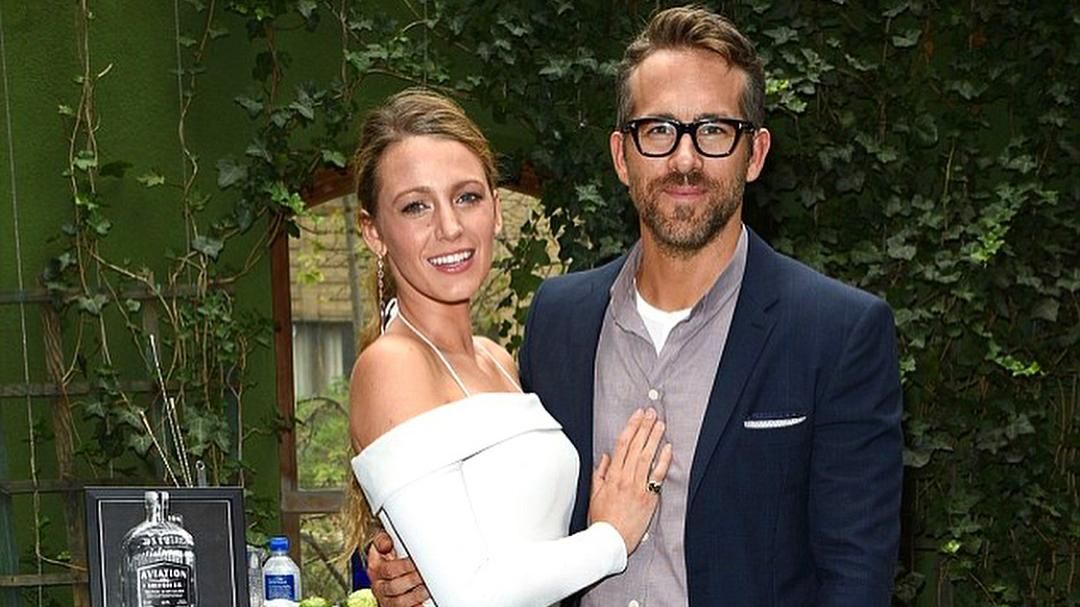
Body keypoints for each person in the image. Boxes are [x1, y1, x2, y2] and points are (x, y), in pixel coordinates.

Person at [367, 5, 903, 607]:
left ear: (754, 154)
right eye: (658, 130)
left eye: (714, 130)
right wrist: (419, 561)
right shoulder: (559, 320)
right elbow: (519, 514)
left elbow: (856, 581)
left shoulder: (837, 333)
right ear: (622, 156)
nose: (684, 159)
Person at [343, 89, 674, 607]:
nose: (449, 227)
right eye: (415, 207)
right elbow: (471, 595)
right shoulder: (392, 364)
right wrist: (612, 537)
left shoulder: (495, 359)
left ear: (496, 210)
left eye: (467, 197)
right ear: (374, 232)